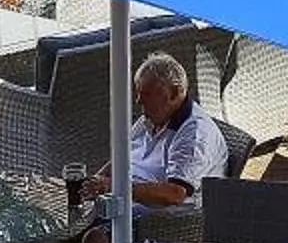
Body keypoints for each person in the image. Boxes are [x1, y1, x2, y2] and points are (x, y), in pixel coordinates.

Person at [89, 52, 225, 213]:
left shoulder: (195, 134)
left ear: (173, 94)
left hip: (157, 219)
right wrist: (96, 181)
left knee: (91, 233)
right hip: (123, 198)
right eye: (138, 93)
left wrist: (118, 187)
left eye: (146, 94)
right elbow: (122, 156)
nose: (138, 100)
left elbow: (175, 194)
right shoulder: (152, 117)